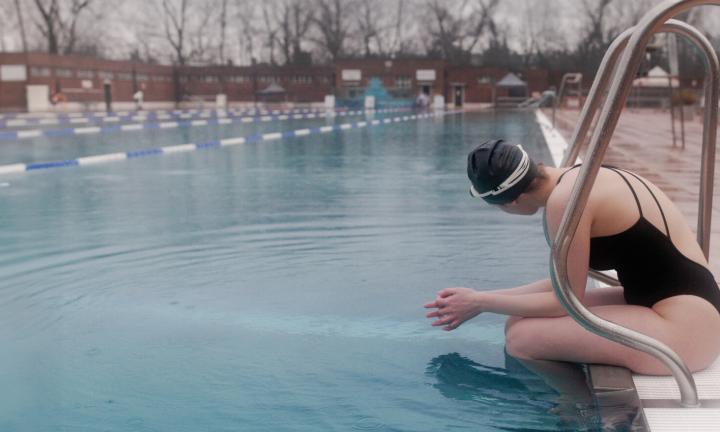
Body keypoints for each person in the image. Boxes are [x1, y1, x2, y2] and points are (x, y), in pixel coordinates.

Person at [424, 139, 720, 375]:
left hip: (686, 333)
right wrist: (479, 297)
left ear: (512, 199)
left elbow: (564, 300)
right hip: (685, 305)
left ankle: (573, 412)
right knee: (517, 320)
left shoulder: (565, 203)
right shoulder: (581, 175)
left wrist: (480, 303)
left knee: (522, 340)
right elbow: (561, 284)